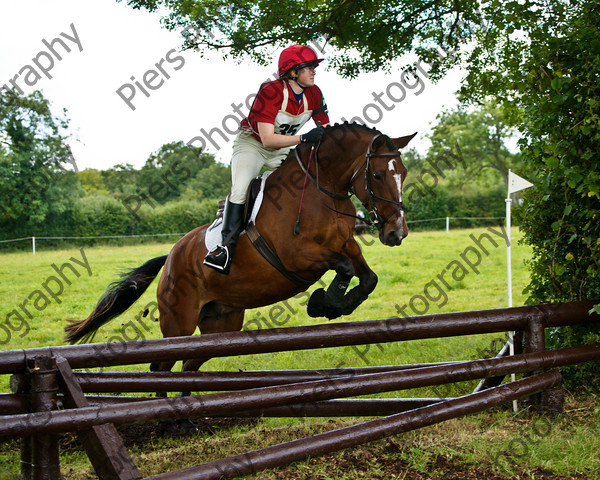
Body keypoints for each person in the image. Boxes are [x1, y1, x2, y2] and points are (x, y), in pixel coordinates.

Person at [204, 44, 331, 274]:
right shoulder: (271, 91)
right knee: (241, 188)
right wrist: (303, 138)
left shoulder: (315, 93)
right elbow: (267, 140)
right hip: (253, 144)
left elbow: (326, 130)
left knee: (302, 181)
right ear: (293, 72)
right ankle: (225, 249)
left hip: (284, 145)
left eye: (314, 67)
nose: (314, 71)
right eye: (309, 67)